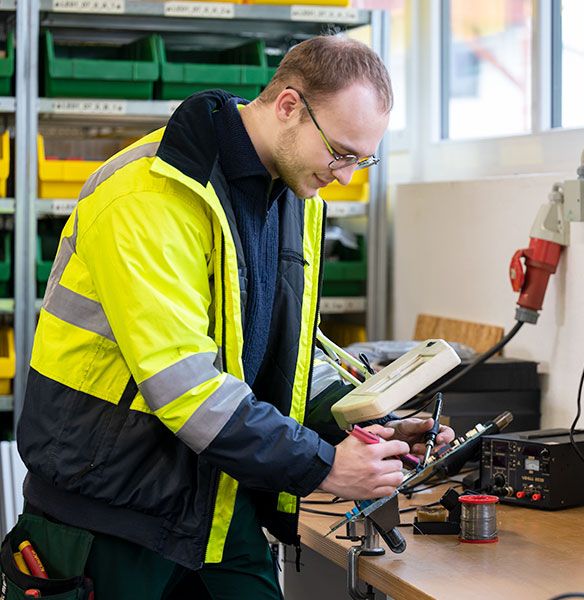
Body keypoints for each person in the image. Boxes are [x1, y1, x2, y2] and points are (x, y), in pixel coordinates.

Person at [16, 35, 453, 599]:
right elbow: (184, 386)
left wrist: (361, 422)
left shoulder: (291, 198)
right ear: (289, 107)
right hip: (107, 513)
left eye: (362, 159)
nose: (346, 175)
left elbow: (283, 354)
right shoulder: (151, 194)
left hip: (216, 506)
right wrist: (322, 467)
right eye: (341, 152)